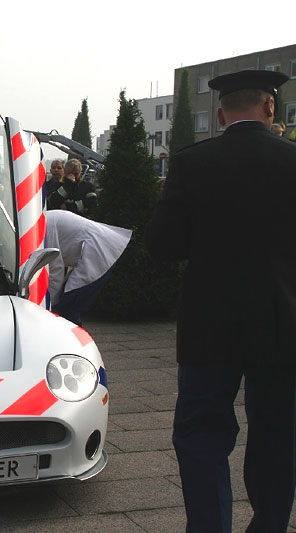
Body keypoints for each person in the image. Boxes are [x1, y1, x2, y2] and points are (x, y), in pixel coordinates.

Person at [146, 69, 296, 532]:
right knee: (277, 435)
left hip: (210, 325)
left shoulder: (193, 163)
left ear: (220, 112)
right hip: (282, 322)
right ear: (271, 106)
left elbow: (163, 246)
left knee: (202, 435)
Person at [44, 210, 131, 325]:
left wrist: (47, 306)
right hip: (101, 247)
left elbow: (56, 270)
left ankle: (74, 341)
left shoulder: (45, 225)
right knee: (68, 308)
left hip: (100, 250)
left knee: (68, 307)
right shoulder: (47, 219)